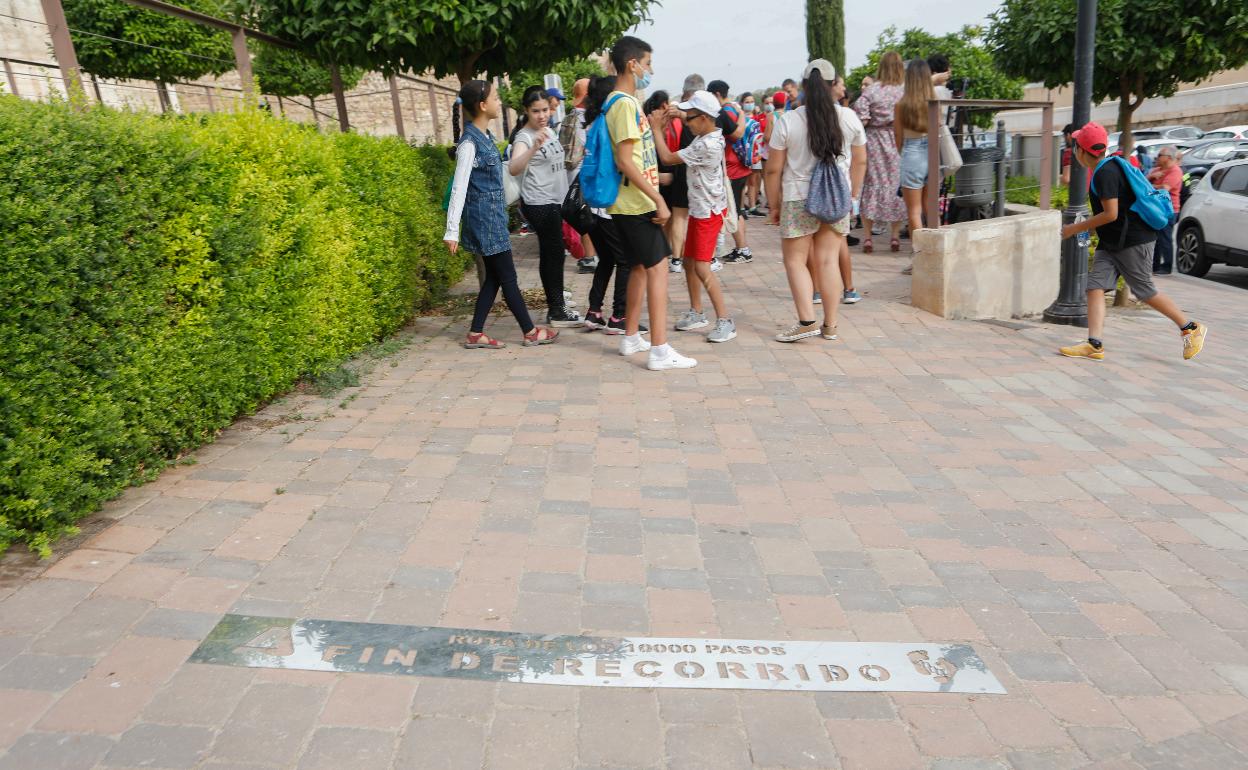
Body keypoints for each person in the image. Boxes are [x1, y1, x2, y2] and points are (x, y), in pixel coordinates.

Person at [1058, 122, 1207, 361]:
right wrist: (1088, 233)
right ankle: (1094, 344)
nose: (1074, 150)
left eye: (1076, 146)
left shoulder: (1105, 172)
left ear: (1083, 151)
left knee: (1144, 290)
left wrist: (1074, 229)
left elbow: (1111, 214)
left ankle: (1190, 327)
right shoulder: (1107, 168)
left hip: (1132, 241)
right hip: (1114, 241)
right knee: (1095, 287)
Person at [605, 35, 697, 370]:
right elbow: (625, 161)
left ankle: (631, 337)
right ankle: (660, 349)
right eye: (647, 63)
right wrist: (658, 198)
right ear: (633, 64)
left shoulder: (621, 103)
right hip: (635, 203)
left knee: (642, 267)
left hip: (630, 201)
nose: (650, 70)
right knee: (659, 267)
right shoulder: (625, 104)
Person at [444, 80, 558, 349]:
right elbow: (459, 188)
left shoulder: (485, 138)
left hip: (493, 217)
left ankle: (475, 334)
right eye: (495, 98)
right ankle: (530, 331)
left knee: (495, 277)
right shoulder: (469, 144)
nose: (499, 101)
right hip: (485, 221)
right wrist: (451, 230)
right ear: (482, 106)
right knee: (508, 277)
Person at [765, 58, 866, 343]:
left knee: (796, 261)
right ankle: (830, 326)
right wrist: (854, 195)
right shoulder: (848, 117)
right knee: (828, 261)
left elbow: (773, 169)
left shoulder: (789, 120)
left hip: (798, 198)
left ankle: (807, 320)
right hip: (836, 197)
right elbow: (860, 161)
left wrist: (773, 205)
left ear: (804, 86)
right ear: (835, 85)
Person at [651, 90, 737, 343]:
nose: (686, 123)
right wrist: (679, 112)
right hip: (702, 209)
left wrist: (656, 129)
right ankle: (697, 312)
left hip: (708, 213)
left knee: (700, 266)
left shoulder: (705, 144)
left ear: (704, 118)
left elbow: (667, 157)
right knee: (689, 262)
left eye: (689, 118)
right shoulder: (711, 134)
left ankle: (725, 320)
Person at [509, 85, 583, 327]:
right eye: (535, 111)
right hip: (539, 202)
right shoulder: (525, 136)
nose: (541, 115)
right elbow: (514, 167)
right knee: (552, 254)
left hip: (554, 200)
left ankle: (558, 300)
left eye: (544, 110)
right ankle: (556, 310)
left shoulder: (548, 130)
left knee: (555, 253)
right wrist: (532, 148)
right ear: (526, 111)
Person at [580, 76, 646, 336]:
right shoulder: (610, 123)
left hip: (592, 203)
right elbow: (622, 162)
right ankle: (619, 316)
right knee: (626, 261)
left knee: (607, 259)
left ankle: (594, 311)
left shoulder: (593, 123)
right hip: (610, 205)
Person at [854, 51, 908, 256]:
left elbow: (862, 118)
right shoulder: (905, 91)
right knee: (896, 187)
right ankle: (894, 236)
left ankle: (867, 237)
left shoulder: (872, 91)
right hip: (897, 140)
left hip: (874, 141)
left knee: (872, 185)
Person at [707, 79, 754, 263]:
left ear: (717, 95)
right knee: (738, 209)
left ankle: (743, 249)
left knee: (732, 211)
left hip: (731, 167)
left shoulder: (725, 112)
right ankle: (741, 248)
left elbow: (736, 134)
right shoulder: (735, 110)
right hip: (740, 166)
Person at [896, 58, 935, 271]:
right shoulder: (935, 101)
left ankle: (919, 260)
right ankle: (935, 255)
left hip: (911, 152)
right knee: (931, 209)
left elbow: (898, 141)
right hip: (933, 152)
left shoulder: (901, 105)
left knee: (913, 211)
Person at [565, 77, 599, 274]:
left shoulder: (569, 117)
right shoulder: (588, 118)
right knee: (590, 214)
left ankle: (589, 256)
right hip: (585, 172)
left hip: (572, 172)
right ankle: (591, 256)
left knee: (583, 212)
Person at [1148, 144, 1182, 274]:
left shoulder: (1175, 171)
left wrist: (1151, 186)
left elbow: (1165, 189)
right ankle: (1155, 265)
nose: (1157, 158)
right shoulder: (1156, 170)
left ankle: (1167, 266)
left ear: (1168, 157)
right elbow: (1143, 182)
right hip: (1155, 208)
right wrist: (1152, 177)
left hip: (1169, 209)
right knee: (1155, 238)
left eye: (1159, 155)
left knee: (1165, 238)